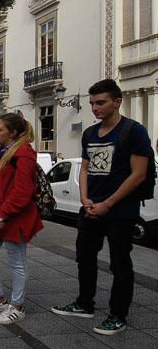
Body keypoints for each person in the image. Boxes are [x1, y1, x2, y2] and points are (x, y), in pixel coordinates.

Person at [52, 79, 152, 335]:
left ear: (117, 102)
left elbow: (139, 174)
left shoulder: (133, 131)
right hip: (91, 208)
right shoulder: (90, 133)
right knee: (84, 257)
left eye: (101, 102)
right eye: (92, 103)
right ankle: (85, 303)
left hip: (120, 210)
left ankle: (118, 314)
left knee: (120, 262)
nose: (95, 108)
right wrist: (85, 199)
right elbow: (85, 168)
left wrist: (108, 203)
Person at [0, 113, 42, 325]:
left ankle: (17, 306)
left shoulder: (23, 155)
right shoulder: (0, 153)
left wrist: (5, 214)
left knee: (17, 263)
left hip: (13, 218)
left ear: (13, 132)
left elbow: (22, 191)